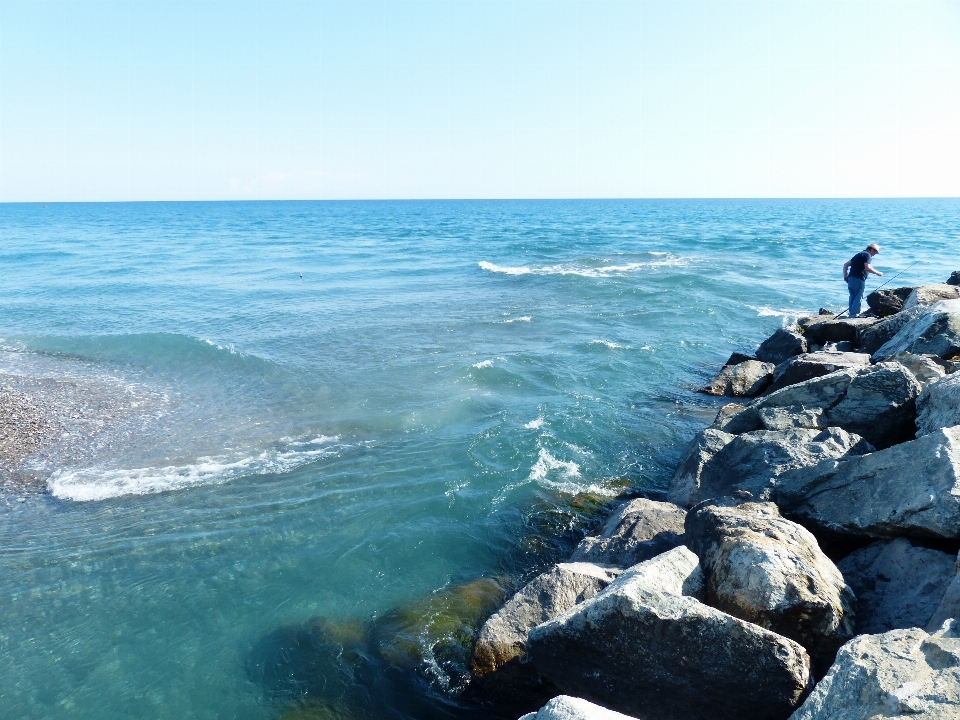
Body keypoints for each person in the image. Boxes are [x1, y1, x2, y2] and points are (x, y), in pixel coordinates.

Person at [842, 243, 883, 317]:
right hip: (859, 279)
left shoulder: (859, 254)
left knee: (852, 296)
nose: (874, 255)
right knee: (858, 296)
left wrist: (845, 275)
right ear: (872, 249)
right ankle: (855, 314)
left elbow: (845, 265)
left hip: (851, 279)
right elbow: (867, 267)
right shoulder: (867, 255)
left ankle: (851, 314)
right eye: (875, 252)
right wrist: (877, 272)